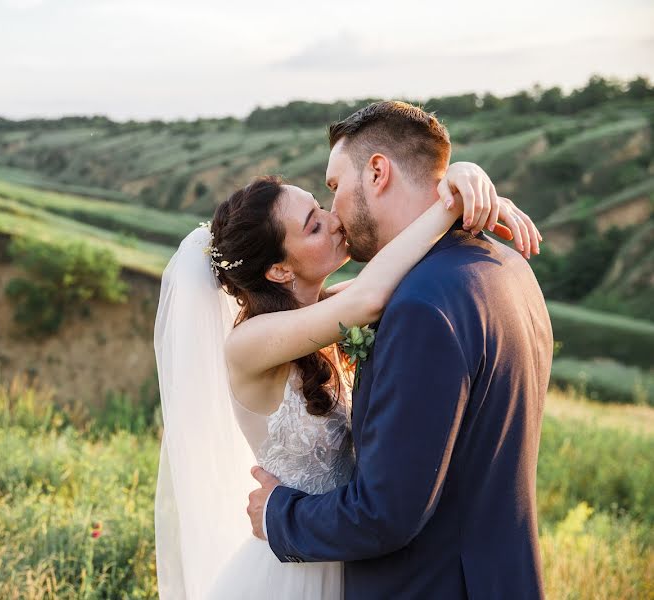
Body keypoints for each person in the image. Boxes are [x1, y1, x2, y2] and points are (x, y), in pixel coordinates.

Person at [155, 101, 545, 600]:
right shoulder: (252, 342)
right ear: (278, 269)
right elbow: (371, 294)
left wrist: (464, 183)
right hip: (299, 564)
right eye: (314, 223)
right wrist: (448, 200)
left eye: (328, 196)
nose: (333, 218)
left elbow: (378, 286)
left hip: (341, 547)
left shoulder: (335, 312)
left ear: (378, 171)